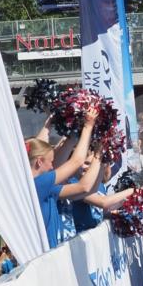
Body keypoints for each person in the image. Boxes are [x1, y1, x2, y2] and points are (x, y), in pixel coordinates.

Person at [25, 107, 100, 249]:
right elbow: (76, 161)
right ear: (39, 162)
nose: (52, 167)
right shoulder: (38, 184)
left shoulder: (42, 186)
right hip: (44, 256)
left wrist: (71, 132)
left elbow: (83, 188)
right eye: (50, 162)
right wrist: (88, 127)